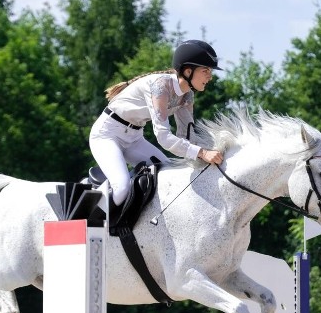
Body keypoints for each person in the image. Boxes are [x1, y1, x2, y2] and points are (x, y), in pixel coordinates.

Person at [89, 39, 225, 209]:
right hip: (106, 135)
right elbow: (164, 137)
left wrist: (211, 151)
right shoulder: (160, 86)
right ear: (188, 71)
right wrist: (202, 153)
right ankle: (93, 225)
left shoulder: (187, 95)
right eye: (206, 71)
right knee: (122, 187)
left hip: (134, 139)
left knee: (167, 175)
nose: (210, 77)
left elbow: (187, 136)